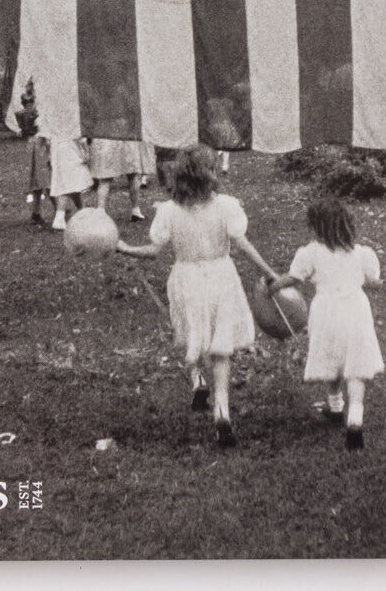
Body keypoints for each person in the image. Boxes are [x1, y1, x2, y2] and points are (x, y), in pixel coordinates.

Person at [116, 143, 275, 447]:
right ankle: (222, 410)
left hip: (186, 279)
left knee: (192, 335)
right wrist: (269, 273)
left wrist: (125, 249)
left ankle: (197, 380)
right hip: (222, 277)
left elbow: (153, 251)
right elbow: (243, 245)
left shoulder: (169, 211)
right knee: (220, 347)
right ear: (211, 173)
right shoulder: (226, 206)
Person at [267, 197, 384, 451]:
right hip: (355, 308)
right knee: (356, 364)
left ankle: (334, 405)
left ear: (317, 228)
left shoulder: (310, 253)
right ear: (346, 226)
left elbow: (294, 278)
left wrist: (273, 286)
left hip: (326, 311)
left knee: (332, 356)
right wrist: (374, 280)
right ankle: (355, 416)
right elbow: (374, 280)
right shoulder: (361, 253)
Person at [88, 137, 147, 220]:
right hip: (127, 141)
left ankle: (100, 211)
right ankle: (136, 210)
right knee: (133, 175)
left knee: (105, 179)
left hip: (108, 141)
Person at [47, 136, 92, 232]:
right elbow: (78, 133)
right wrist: (86, 151)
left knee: (74, 183)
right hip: (70, 150)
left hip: (57, 149)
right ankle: (59, 218)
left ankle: (83, 212)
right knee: (69, 183)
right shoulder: (72, 121)